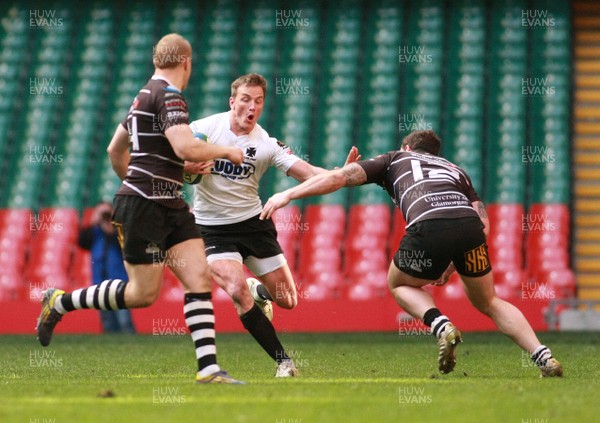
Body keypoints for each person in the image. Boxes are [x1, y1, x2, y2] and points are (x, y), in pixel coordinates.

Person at [260, 130, 563, 378]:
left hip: (429, 224)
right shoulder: (455, 170)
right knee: (490, 301)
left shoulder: (394, 158)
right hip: (469, 228)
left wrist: (288, 193)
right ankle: (544, 358)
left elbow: (339, 180)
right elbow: (483, 225)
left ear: (407, 146)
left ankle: (442, 326)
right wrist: (451, 265)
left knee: (399, 283)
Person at [36, 33, 246, 384]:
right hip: (144, 207)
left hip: (167, 203)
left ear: (156, 61)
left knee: (198, 277)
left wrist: (143, 179)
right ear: (186, 62)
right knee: (141, 294)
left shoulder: (142, 97)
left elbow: (114, 151)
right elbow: (184, 146)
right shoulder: (169, 96)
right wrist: (226, 151)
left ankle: (208, 369)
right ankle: (60, 301)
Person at [186, 73, 360, 377]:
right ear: (232, 102)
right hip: (211, 228)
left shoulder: (267, 144)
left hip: (254, 224)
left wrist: (341, 175)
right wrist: (186, 167)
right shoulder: (202, 130)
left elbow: (309, 174)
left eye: (258, 101)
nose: (252, 106)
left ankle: (261, 293)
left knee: (288, 300)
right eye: (245, 99)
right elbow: (169, 159)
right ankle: (284, 362)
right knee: (236, 289)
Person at [78, 202, 135, 334]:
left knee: (124, 320)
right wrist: (94, 222)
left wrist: (112, 229)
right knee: (107, 321)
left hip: (119, 281)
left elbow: (127, 247)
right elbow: (81, 242)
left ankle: (131, 346)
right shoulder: (95, 231)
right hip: (100, 281)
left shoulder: (119, 231)